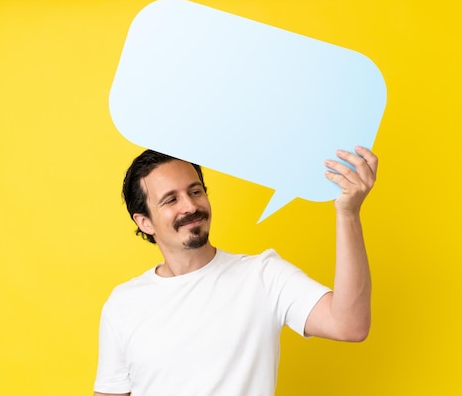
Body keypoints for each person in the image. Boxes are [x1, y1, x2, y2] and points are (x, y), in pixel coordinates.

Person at [94, 146, 378, 396]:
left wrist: (348, 213)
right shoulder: (123, 304)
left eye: (195, 191)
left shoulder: (263, 276)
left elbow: (349, 324)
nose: (190, 206)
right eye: (171, 200)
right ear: (145, 222)